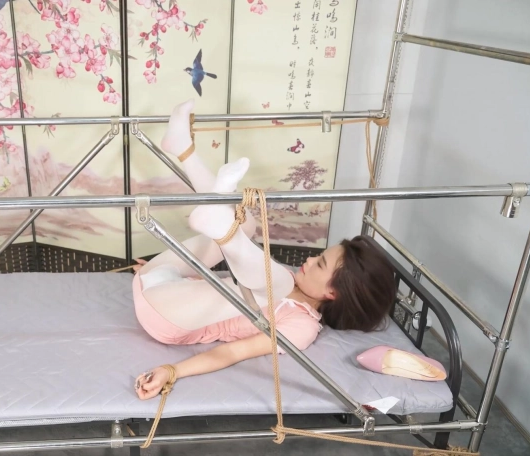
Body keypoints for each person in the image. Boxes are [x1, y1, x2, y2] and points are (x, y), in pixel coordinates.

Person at [132, 99, 398, 400]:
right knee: (247, 227)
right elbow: (213, 288)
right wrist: (173, 277)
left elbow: (231, 353)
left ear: (333, 293)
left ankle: (217, 215)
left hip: (166, 318)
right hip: (161, 286)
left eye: (321, 264)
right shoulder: (286, 277)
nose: (310, 259)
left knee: (274, 283)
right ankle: (184, 149)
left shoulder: (301, 327)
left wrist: (172, 371)